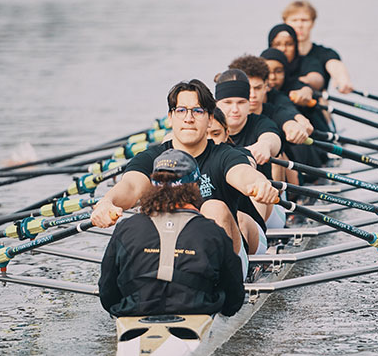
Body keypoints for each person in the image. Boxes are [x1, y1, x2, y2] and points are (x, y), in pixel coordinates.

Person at [90, 79, 279, 279]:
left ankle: (217, 286)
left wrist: (258, 183)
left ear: (209, 119)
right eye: (181, 110)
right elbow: (130, 187)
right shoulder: (152, 157)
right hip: (172, 251)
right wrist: (106, 202)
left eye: (197, 111)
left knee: (213, 207)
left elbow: (242, 173)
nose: (189, 118)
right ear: (170, 118)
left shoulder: (225, 155)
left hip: (224, 257)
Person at [98, 149, 245, 317]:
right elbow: (235, 298)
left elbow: (107, 292)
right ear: (195, 187)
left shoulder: (126, 228)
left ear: (152, 187)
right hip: (197, 312)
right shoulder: (212, 231)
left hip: (135, 312)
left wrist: (124, 308)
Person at [213, 69, 289, 231]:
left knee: (252, 192)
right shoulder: (205, 127)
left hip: (266, 205)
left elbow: (271, 139)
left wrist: (264, 146)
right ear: (216, 104)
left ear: (249, 103)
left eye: (241, 102)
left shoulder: (261, 123)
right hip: (221, 209)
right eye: (227, 103)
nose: (235, 109)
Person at [282, 0, 353, 94]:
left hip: (316, 105)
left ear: (312, 23)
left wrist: (343, 79)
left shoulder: (325, 53)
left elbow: (335, 65)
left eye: (304, 20)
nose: (299, 25)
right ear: (285, 23)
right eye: (294, 20)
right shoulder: (278, 54)